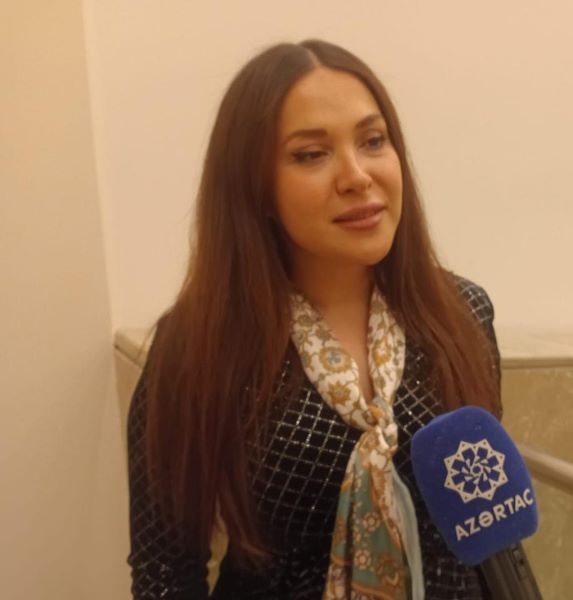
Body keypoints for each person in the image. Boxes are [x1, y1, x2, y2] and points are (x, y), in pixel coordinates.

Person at [127, 39, 502, 600]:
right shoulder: (198, 346)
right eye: (310, 154)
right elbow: (165, 571)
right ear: (255, 186)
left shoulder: (462, 313)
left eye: (372, 141)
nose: (356, 175)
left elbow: (489, 528)